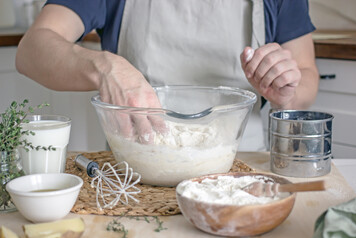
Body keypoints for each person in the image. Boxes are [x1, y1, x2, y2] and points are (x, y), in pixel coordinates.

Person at [15, 0, 319, 151]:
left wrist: (286, 90)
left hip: (240, 168)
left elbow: (306, 76)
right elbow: (32, 49)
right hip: (135, 172)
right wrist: (106, 66)